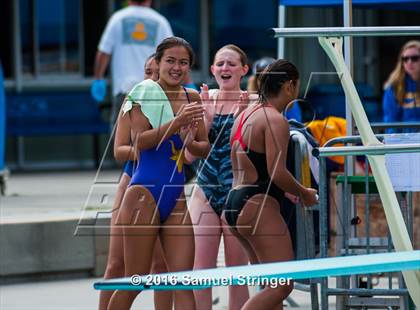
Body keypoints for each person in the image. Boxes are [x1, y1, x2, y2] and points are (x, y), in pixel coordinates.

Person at [107, 36, 210, 309]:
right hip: (143, 195)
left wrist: (190, 141)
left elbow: (204, 147)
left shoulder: (192, 97)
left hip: (175, 197)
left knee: (183, 281)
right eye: (171, 61)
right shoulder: (143, 91)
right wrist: (177, 123)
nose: (177, 67)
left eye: (183, 62)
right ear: (159, 61)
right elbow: (139, 141)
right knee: (135, 281)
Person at [225, 59, 318, 309]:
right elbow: (278, 172)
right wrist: (304, 192)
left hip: (235, 204)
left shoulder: (245, 115)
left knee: (270, 287)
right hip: (258, 206)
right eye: (297, 85)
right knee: (282, 285)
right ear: (289, 85)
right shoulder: (275, 120)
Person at [98, 54, 173, 310]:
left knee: (163, 268)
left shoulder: (177, 101)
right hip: (133, 181)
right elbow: (119, 150)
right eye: (147, 72)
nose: (151, 78)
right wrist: (144, 148)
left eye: (156, 72)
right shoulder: (134, 101)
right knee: (117, 264)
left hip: (166, 187)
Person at [185, 44, 250, 310]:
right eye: (220, 64)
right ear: (212, 69)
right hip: (205, 190)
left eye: (231, 64)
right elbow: (188, 157)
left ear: (244, 70)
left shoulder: (254, 102)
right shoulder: (201, 102)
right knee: (200, 271)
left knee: (237, 273)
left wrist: (240, 119)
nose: (225, 68)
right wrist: (207, 122)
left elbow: (254, 153)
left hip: (238, 191)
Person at [91, 0, 173, 127]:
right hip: (154, 93)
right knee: (152, 140)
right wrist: (186, 82)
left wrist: (98, 79)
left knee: (121, 142)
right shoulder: (160, 21)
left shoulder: (118, 19)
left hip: (125, 92)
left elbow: (103, 53)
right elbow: (172, 56)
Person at [248, 57, 302, 122]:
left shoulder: (288, 100)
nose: (266, 81)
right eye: (261, 77)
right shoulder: (245, 102)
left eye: (272, 77)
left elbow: (296, 124)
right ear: (254, 80)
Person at [383, 40, 420, 132]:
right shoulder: (393, 87)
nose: (409, 62)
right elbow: (391, 121)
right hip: (404, 141)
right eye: (405, 59)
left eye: (414, 58)